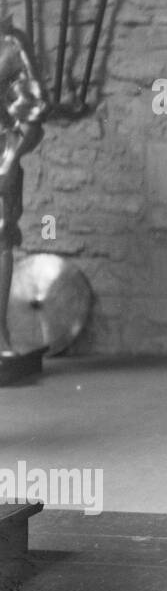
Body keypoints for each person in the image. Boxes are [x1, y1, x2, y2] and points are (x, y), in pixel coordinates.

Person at [0, 22, 48, 357]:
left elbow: (32, 107)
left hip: (0, 150)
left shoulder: (10, 45)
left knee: (0, 238)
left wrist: (9, 159)